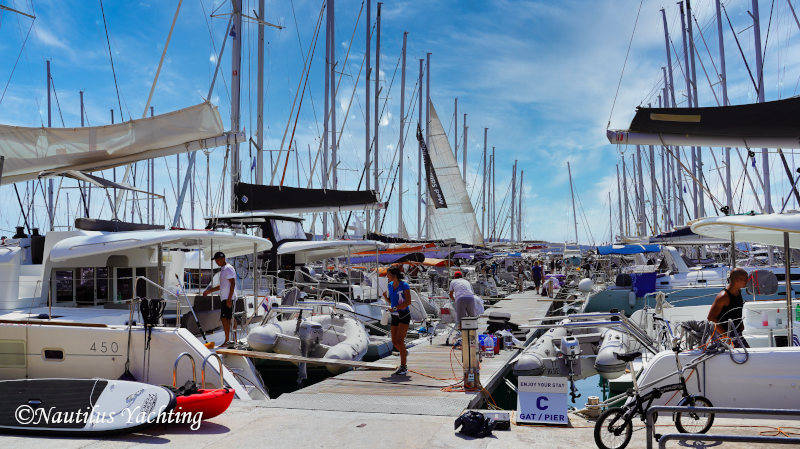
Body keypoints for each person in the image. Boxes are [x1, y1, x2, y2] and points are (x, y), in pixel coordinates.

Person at [707, 267, 749, 347]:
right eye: (745, 279)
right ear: (736, 280)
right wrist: (725, 336)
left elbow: (736, 310)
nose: (747, 282)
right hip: (725, 334)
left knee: (749, 354)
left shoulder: (738, 291)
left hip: (736, 332)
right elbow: (711, 318)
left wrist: (741, 324)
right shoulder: (723, 296)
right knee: (747, 354)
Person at [203, 251, 237, 346]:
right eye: (216, 260)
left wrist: (229, 299)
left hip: (228, 298)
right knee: (225, 319)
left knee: (229, 319)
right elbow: (222, 286)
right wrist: (209, 291)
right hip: (225, 298)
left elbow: (233, 283)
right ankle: (228, 340)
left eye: (218, 260)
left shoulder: (228, 268)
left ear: (223, 259)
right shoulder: (223, 269)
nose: (216, 262)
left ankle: (230, 340)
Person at [382, 265, 412, 376]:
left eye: (388, 274)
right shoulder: (390, 285)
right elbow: (392, 302)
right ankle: (404, 352)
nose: (387, 276)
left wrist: (395, 308)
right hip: (394, 315)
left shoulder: (404, 285)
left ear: (394, 275)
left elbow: (408, 302)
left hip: (404, 314)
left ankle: (404, 367)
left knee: (400, 340)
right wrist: (386, 298)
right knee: (394, 341)